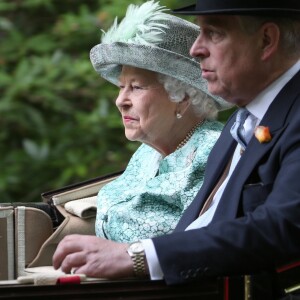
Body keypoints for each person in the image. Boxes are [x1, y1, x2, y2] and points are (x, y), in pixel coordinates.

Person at [53, 0, 300, 296]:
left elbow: (282, 226)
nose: (196, 50)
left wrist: (138, 256)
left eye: (214, 33)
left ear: (266, 40)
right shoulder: (242, 123)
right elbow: (201, 229)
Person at [89, 1, 228, 243]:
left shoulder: (215, 152)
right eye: (122, 87)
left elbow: (200, 243)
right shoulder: (147, 154)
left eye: (136, 87)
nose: (121, 100)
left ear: (182, 98)